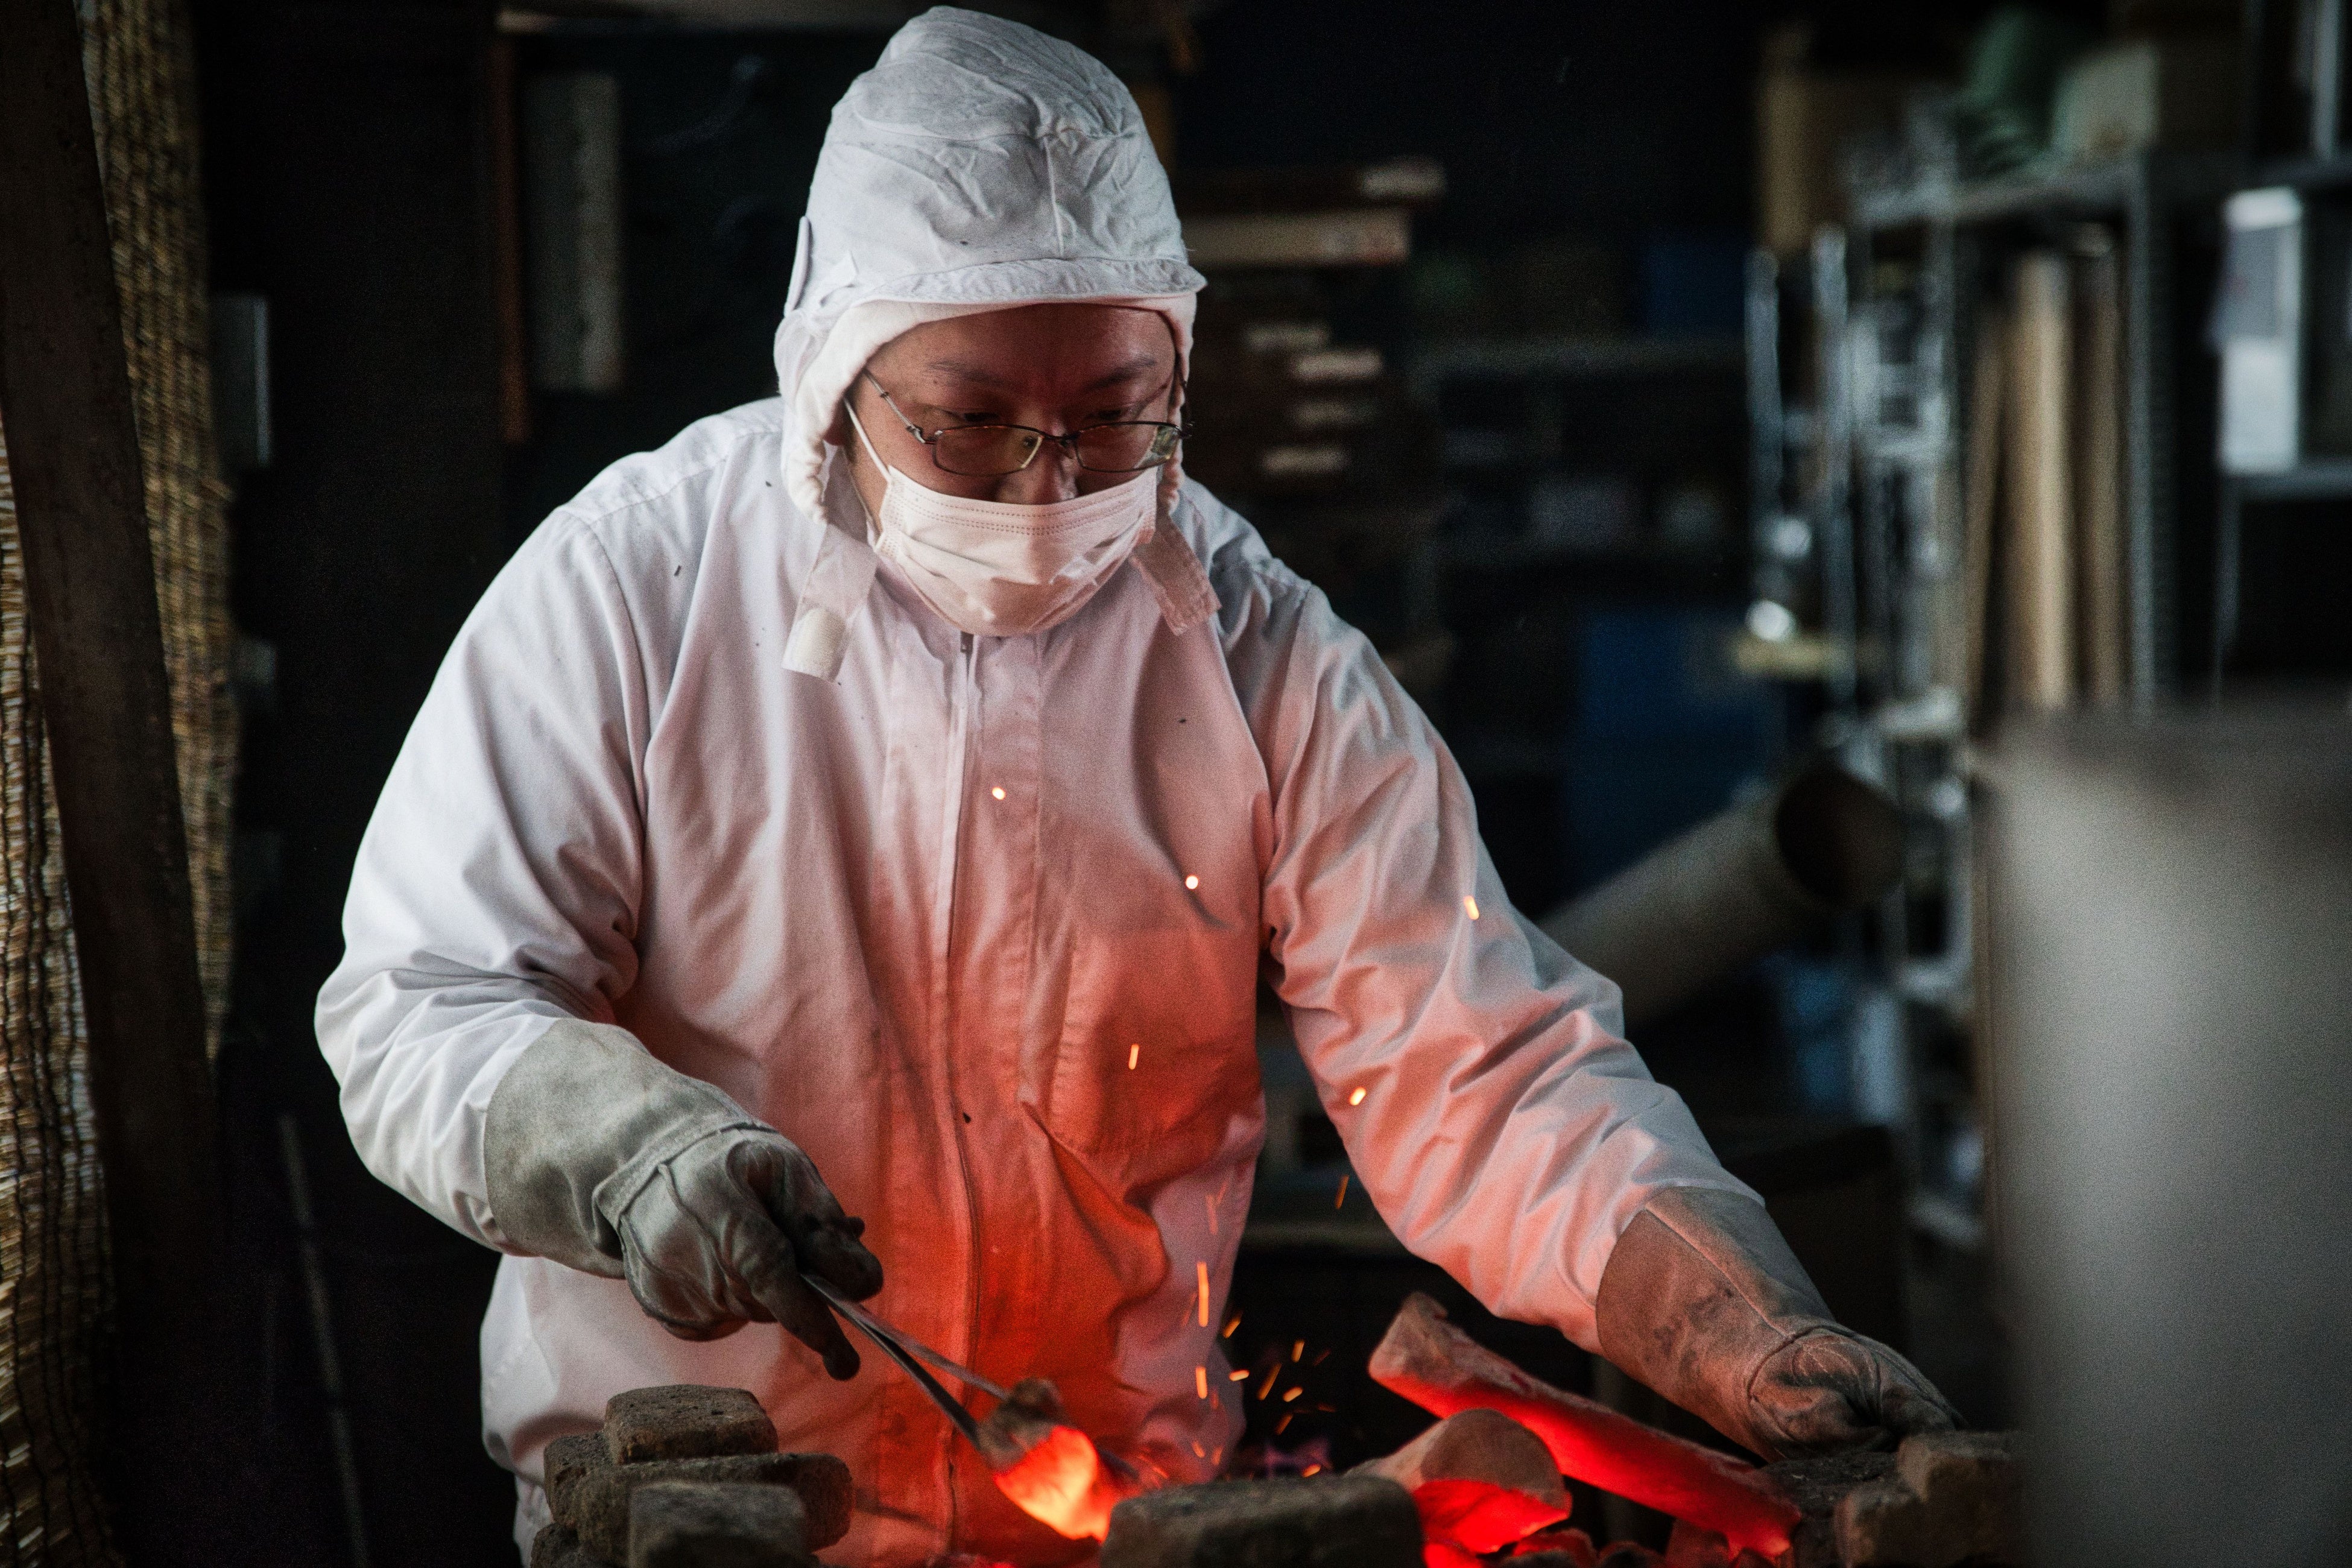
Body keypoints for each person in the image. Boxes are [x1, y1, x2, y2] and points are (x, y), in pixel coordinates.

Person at [316, 10, 1956, 1564]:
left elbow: (1484, 1067)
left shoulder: (1254, 650)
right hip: (707, 1514)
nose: (1050, 485)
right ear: (834, 378)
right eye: (969, 426)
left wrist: (1735, 1318)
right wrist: (622, 1151)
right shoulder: (630, 591)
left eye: (1114, 418)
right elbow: (424, 999)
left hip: (1121, 1517)